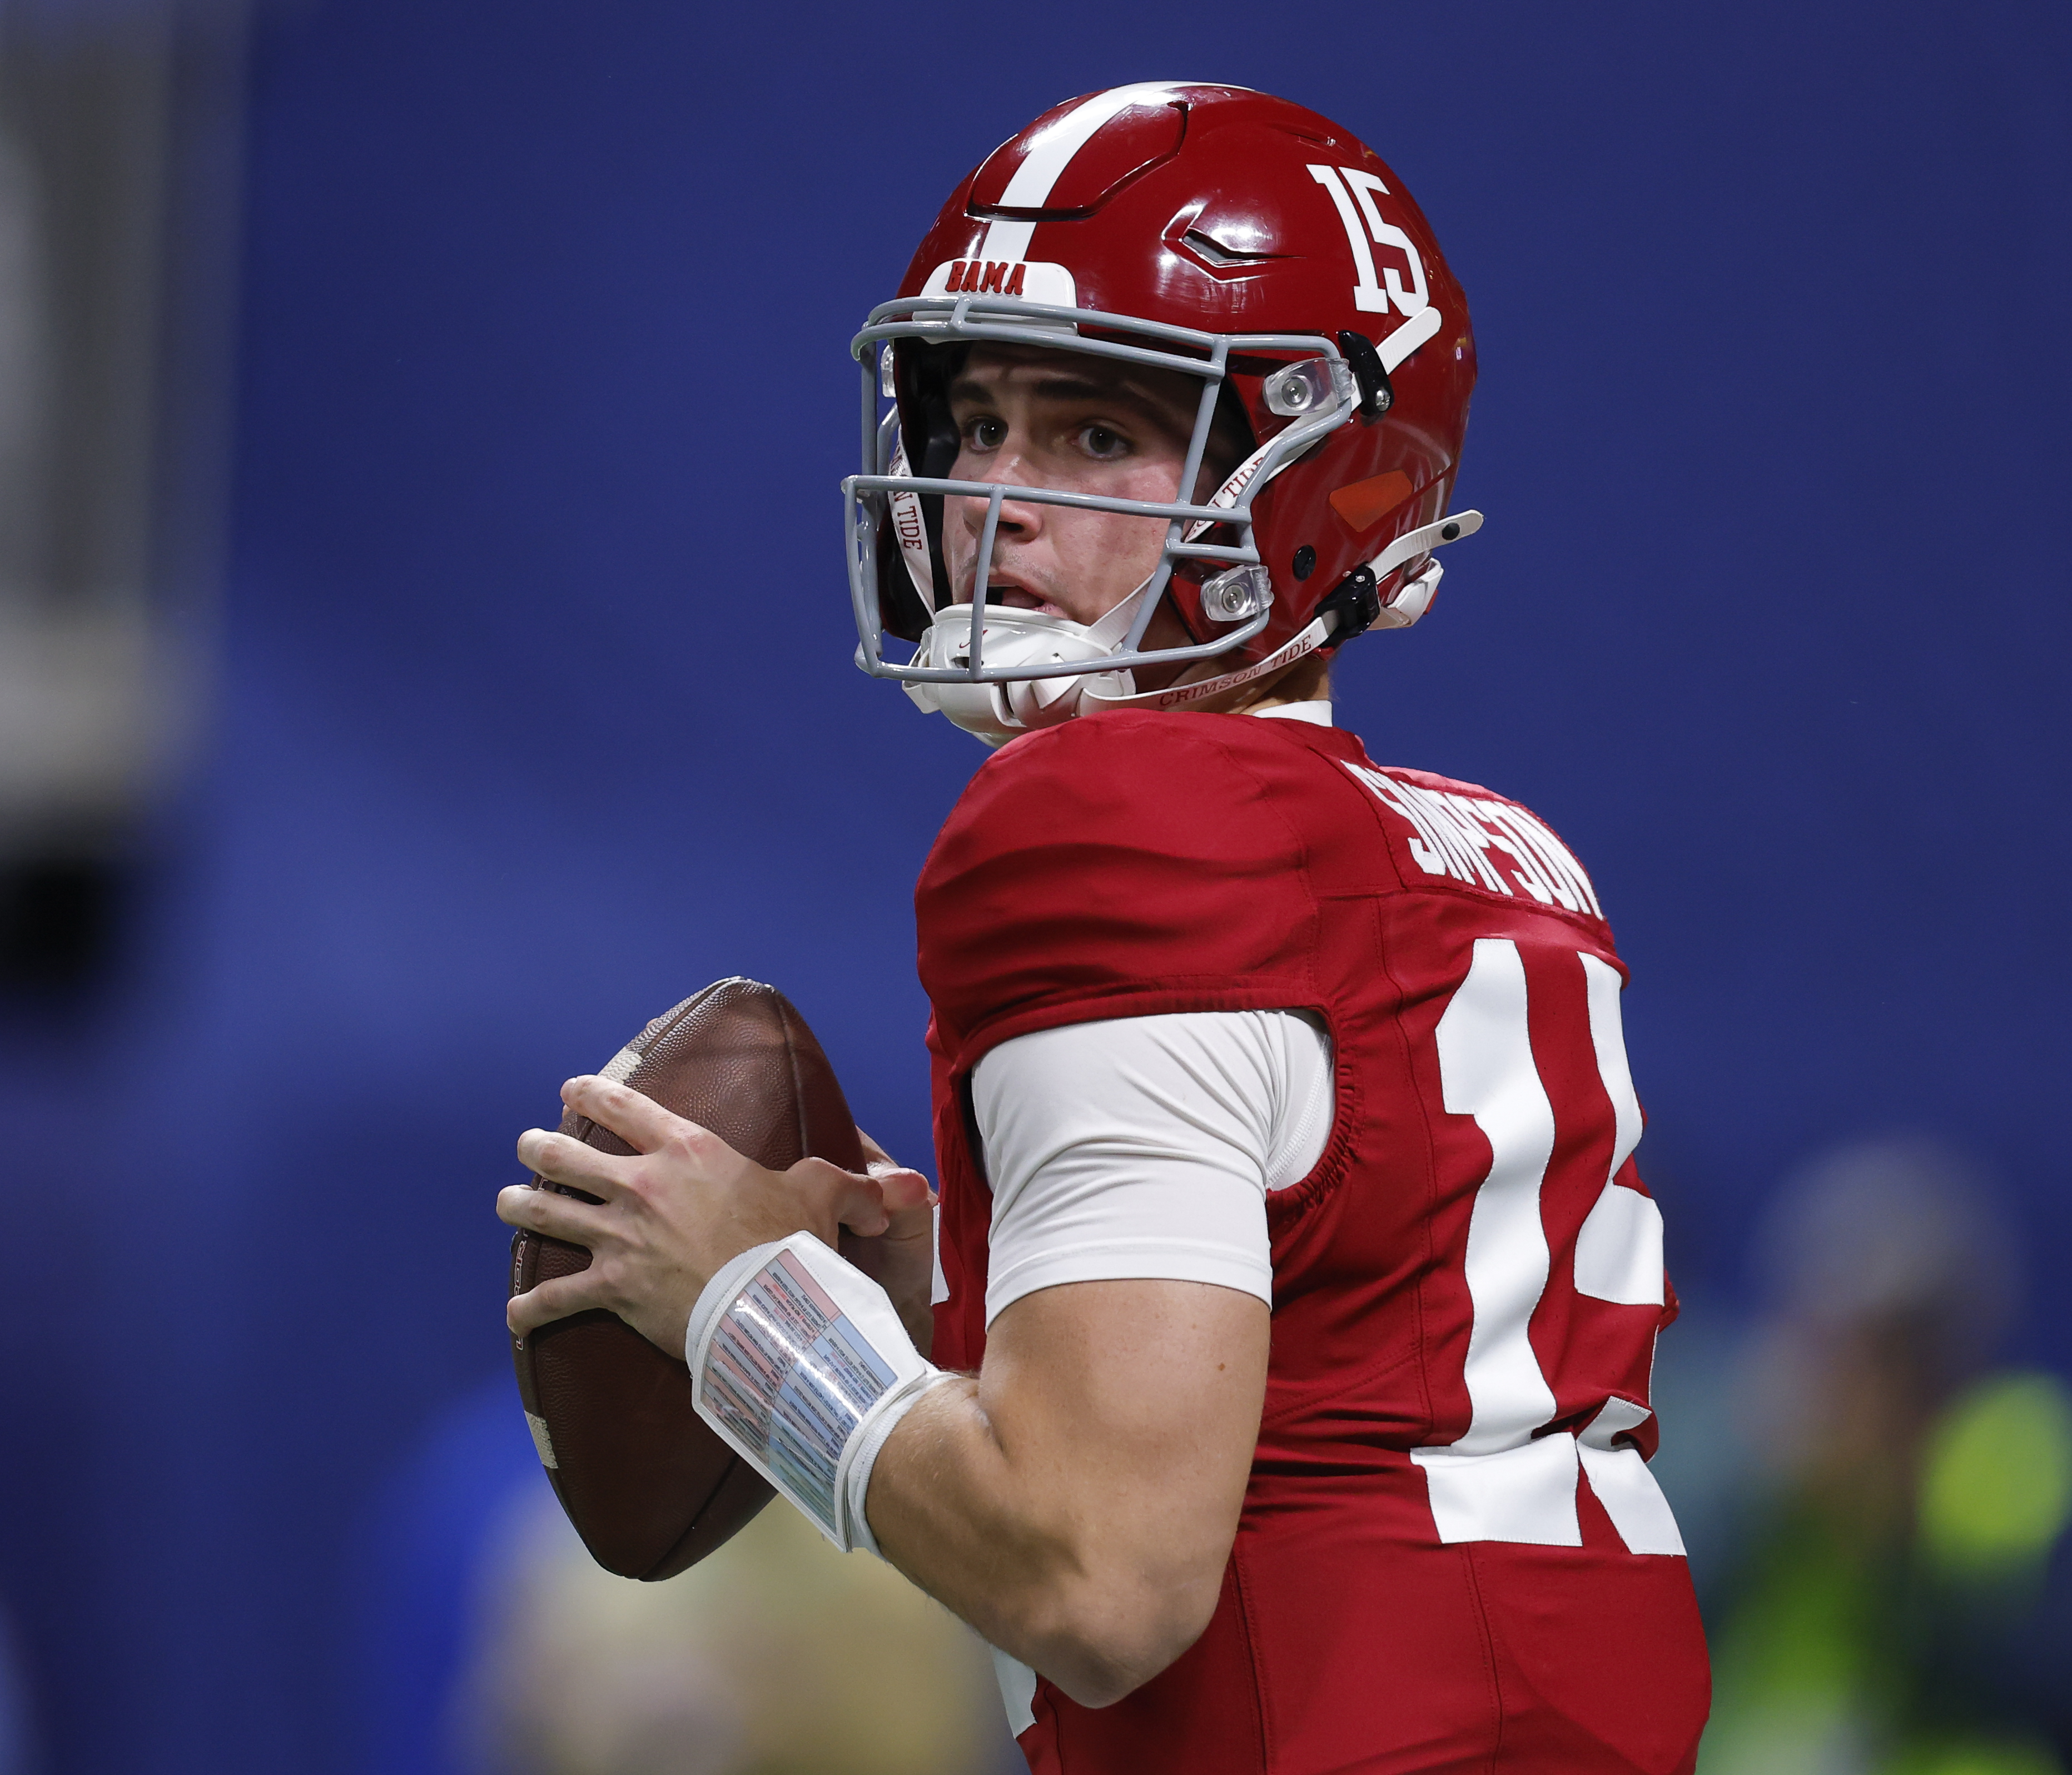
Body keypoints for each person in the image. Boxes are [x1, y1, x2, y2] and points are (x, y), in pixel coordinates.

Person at [499, 83, 1711, 1773]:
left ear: (1319, 477)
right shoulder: (1502, 860)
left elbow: (1099, 1576)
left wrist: (747, 1308)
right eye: (973, 420)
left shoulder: (1113, 822)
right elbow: (1341, 1393)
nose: (993, 500)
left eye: (1091, 433)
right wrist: (942, 1309)